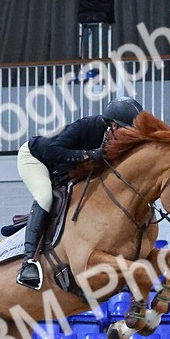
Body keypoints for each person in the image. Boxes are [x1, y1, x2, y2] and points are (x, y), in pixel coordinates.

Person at [13, 96, 144, 290]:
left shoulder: (116, 141)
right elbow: (52, 150)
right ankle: (28, 263)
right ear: (114, 126)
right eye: (126, 131)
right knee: (45, 196)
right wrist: (86, 154)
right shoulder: (87, 126)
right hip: (36, 158)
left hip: (65, 170)